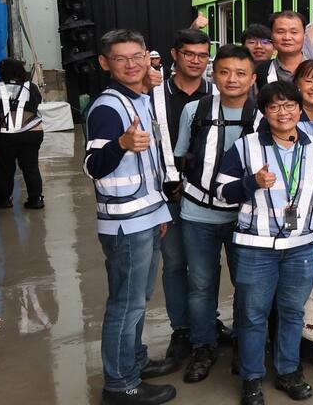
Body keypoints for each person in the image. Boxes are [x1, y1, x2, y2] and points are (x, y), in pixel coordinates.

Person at [216, 80, 313, 405]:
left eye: (290, 105)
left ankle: (288, 371)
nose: (284, 112)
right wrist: (252, 182)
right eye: (275, 106)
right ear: (265, 112)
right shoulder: (246, 146)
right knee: (252, 315)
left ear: (299, 108)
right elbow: (222, 192)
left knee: (292, 313)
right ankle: (251, 378)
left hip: (302, 247)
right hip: (256, 247)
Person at [84, 29, 177, 405]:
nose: (131, 64)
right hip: (125, 225)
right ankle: (121, 384)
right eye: (120, 58)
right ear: (105, 63)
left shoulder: (138, 98)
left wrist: (159, 212)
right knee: (126, 304)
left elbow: (149, 164)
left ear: (148, 58)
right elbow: (92, 166)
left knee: (137, 298)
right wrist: (120, 145)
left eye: (137, 56)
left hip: (145, 216)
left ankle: (135, 361)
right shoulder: (108, 107)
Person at [173, 44, 260, 383]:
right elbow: (183, 156)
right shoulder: (195, 111)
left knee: (247, 285)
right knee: (201, 284)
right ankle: (203, 345)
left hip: (246, 219)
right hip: (197, 214)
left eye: (241, 73)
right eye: (224, 72)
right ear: (213, 74)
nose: (232, 79)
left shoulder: (262, 115)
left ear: (253, 78)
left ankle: (244, 344)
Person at [151, 29, 215, 375]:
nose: (195, 60)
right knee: (175, 263)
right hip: (170, 196)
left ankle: (208, 323)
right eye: (189, 53)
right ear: (174, 54)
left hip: (212, 197)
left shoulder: (219, 92)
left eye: (202, 55)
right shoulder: (155, 96)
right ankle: (182, 329)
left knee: (208, 268)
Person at [0, 58, 44, 209]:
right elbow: (37, 103)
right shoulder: (30, 87)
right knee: (31, 166)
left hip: (4, 134)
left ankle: (4, 199)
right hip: (32, 132)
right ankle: (36, 199)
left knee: (4, 168)